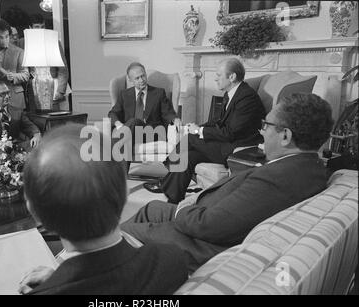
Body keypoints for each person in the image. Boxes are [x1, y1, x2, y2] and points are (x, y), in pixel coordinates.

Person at [0, 124, 188, 295]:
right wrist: (61, 277)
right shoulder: (171, 260)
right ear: (125, 194)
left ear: (35, 213)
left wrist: (60, 281)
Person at [122, 93, 334, 273]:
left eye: (266, 125)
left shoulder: (278, 178)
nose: (261, 131)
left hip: (203, 243)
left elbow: (208, 226)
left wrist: (183, 209)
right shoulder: (308, 167)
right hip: (207, 216)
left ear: (285, 136)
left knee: (119, 238)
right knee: (151, 207)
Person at [144, 58, 265, 203]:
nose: (216, 78)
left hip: (238, 148)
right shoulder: (231, 93)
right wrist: (199, 127)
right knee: (188, 157)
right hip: (228, 141)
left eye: (219, 75)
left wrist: (199, 132)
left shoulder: (246, 97)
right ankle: (173, 199)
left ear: (231, 77)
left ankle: (166, 172)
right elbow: (218, 122)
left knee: (190, 139)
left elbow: (230, 133)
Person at [108, 62, 181, 137]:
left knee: (133, 122)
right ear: (130, 80)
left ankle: (117, 143)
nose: (141, 80)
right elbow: (113, 113)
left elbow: (168, 113)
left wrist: (175, 119)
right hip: (131, 133)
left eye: (143, 76)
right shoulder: (125, 95)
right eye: (137, 78)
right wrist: (119, 124)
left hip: (151, 133)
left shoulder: (159, 93)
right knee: (130, 126)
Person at [18, 14, 69, 106]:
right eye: (37, 27)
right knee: (37, 118)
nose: (40, 29)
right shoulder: (22, 42)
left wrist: (61, 90)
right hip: (33, 89)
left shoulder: (53, 41)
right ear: (30, 28)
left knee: (56, 117)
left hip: (54, 85)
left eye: (42, 26)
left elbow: (63, 69)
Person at [0, 19, 29, 109]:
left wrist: (13, 76)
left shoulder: (19, 52)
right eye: (1, 37)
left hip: (15, 98)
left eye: (7, 36)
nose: (5, 40)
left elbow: (26, 75)